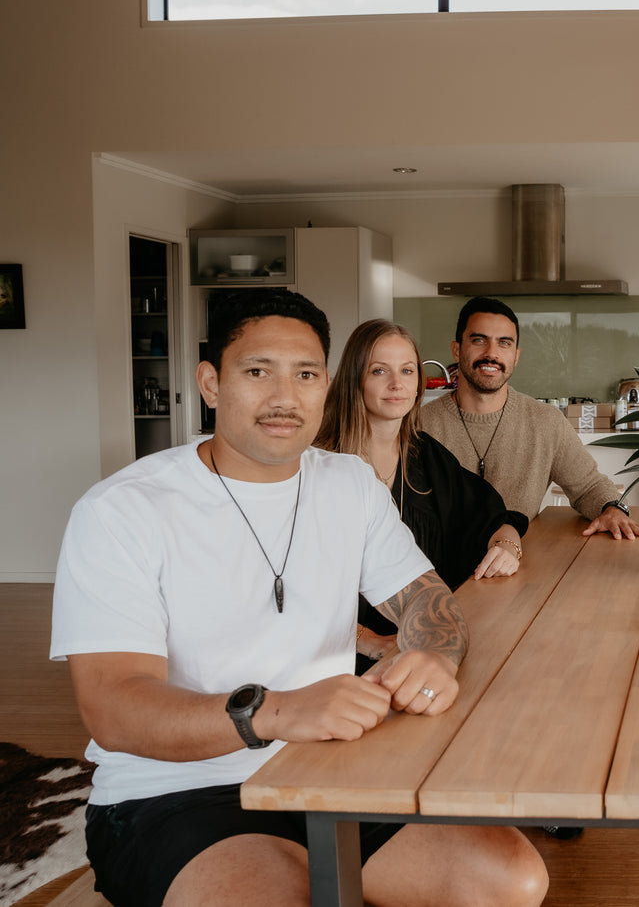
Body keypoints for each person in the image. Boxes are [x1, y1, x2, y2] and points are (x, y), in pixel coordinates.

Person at [50, 290, 547, 907]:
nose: (285, 397)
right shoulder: (121, 510)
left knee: (512, 880)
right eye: (258, 372)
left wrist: (434, 656)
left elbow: (428, 602)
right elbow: (113, 709)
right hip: (175, 794)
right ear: (211, 383)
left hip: (331, 767)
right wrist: (276, 712)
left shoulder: (348, 485)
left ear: (326, 387)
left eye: (306, 375)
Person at [315, 318, 530, 672]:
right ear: (355, 378)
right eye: (380, 371)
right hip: (338, 659)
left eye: (408, 370)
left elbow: (491, 515)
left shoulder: (425, 456)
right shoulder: (321, 467)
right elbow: (288, 590)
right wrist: (370, 642)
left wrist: (507, 544)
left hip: (423, 646)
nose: (397, 384)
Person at [419, 296, 639, 540]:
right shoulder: (419, 424)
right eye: (479, 340)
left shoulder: (546, 421)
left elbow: (589, 487)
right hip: (440, 568)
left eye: (504, 343)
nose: (491, 353)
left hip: (519, 562)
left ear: (516, 356)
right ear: (457, 349)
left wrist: (613, 509)